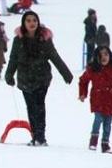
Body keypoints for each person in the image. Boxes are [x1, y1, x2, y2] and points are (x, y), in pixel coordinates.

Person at [4, 11, 73, 146]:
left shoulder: (44, 39)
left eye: (34, 20)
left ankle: (41, 137)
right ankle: (35, 136)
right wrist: (9, 74)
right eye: (28, 20)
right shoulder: (19, 40)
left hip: (42, 78)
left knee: (39, 106)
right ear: (24, 23)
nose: (32, 23)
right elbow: (13, 58)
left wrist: (65, 73)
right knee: (30, 107)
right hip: (25, 78)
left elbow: (54, 56)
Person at [78, 46, 112, 154]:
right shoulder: (92, 70)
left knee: (108, 123)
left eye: (106, 54)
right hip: (98, 99)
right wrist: (83, 93)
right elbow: (83, 80)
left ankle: (105, 143)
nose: (103, 57)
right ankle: (93, 140)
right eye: (100, 55)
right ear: (96, 57)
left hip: (111, 100)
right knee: (98, 118)